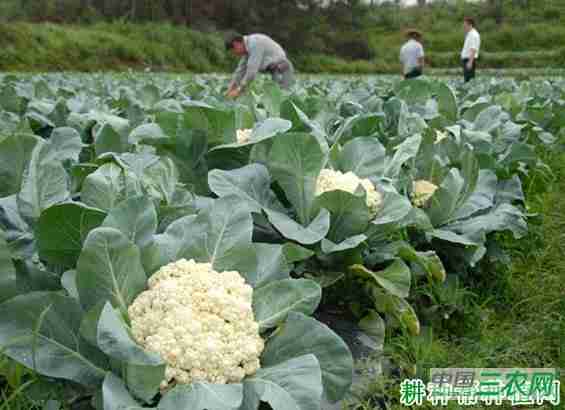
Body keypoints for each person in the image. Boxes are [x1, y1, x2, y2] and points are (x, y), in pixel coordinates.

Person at [225, 33, 295, 98]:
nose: (235, 54)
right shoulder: (247, 49)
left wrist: (239, 90)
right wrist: (229, 89)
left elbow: (251, 72)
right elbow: (240, 71)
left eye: (233, 51)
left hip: (282, 69)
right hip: (274, 70)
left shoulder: (255, 43)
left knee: (283, 96)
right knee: (276, 97)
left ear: (236, 44)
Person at [461, 17, 481, 83]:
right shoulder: (469, 34)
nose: (464, 26)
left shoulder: (474, 34)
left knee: (469, 80)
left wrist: (470, 62)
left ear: (470, 25)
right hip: (467, 60)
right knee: (467, 79)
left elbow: (473, 49)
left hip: (469, 59)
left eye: (465, 25)